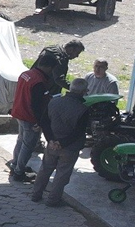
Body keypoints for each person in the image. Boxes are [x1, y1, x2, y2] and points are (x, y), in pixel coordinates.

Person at [32, 76, 92, 206]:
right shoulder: (83, 109)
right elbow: (79, 131)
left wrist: (51, 140)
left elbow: (44, 122)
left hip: (52, 144)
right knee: (62, 174)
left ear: (70, 88)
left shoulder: (54, 102)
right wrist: (62, 143)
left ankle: (36, 194)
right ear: (84, 92)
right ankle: (53, 200)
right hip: (69, 148)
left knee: (45, 169)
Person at [8, 65, 58, 182]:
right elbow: (36, 105)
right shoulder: (38, 82)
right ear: (49, 68)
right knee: (28, 146)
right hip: (29, 117)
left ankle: (15, 165)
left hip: (19, 112)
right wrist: (39, 122)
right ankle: (19, 172)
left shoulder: (26, 74)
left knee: (21, 140)